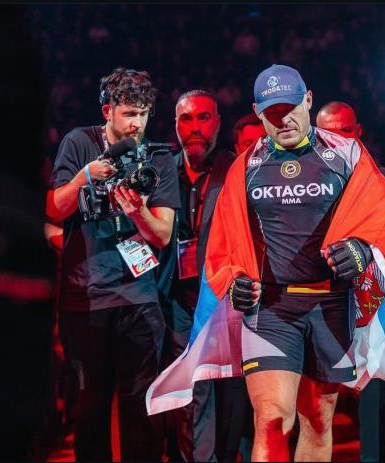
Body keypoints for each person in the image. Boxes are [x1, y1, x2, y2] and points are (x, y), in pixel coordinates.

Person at [234, 64, 385, 461]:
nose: (283, 119)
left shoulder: (346, 153)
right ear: (257, 112)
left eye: (290, 108)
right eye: (271, 112)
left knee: (316, 421)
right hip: (272, 309)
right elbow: (229, 236)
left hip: (331, 305)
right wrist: (234, 278)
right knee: (271, 419)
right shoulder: (246, 164)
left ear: (309, 101)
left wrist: (362, 250)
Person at [45, 67, 180, 461]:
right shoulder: (79, 142)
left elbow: (162, 235)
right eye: (129, 114)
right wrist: (83, 178)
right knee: (90, 409)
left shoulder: (158, 157)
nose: (137, 123)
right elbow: (53, 208)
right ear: (108, 111)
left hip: (138, 298)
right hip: (84, 298)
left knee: (141, 408)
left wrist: (138, 212)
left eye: (143, 114)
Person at [315, 100, 385, 463]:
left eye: (344, 131)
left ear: (358, 132)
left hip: (373, 304)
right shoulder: (304, 186)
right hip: (318, 303)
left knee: (375, 398)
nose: (337, 140)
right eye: (326, 134)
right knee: (313, 403)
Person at [156, 89, 245, 462]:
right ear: (176, 124)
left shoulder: (236, 170)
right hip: (178, 301)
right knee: (191, 397)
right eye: (186, 118)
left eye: (203, 118)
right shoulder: (161, 171)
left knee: (231, 399)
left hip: (227, 301)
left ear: (218, 123)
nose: (195, 127)